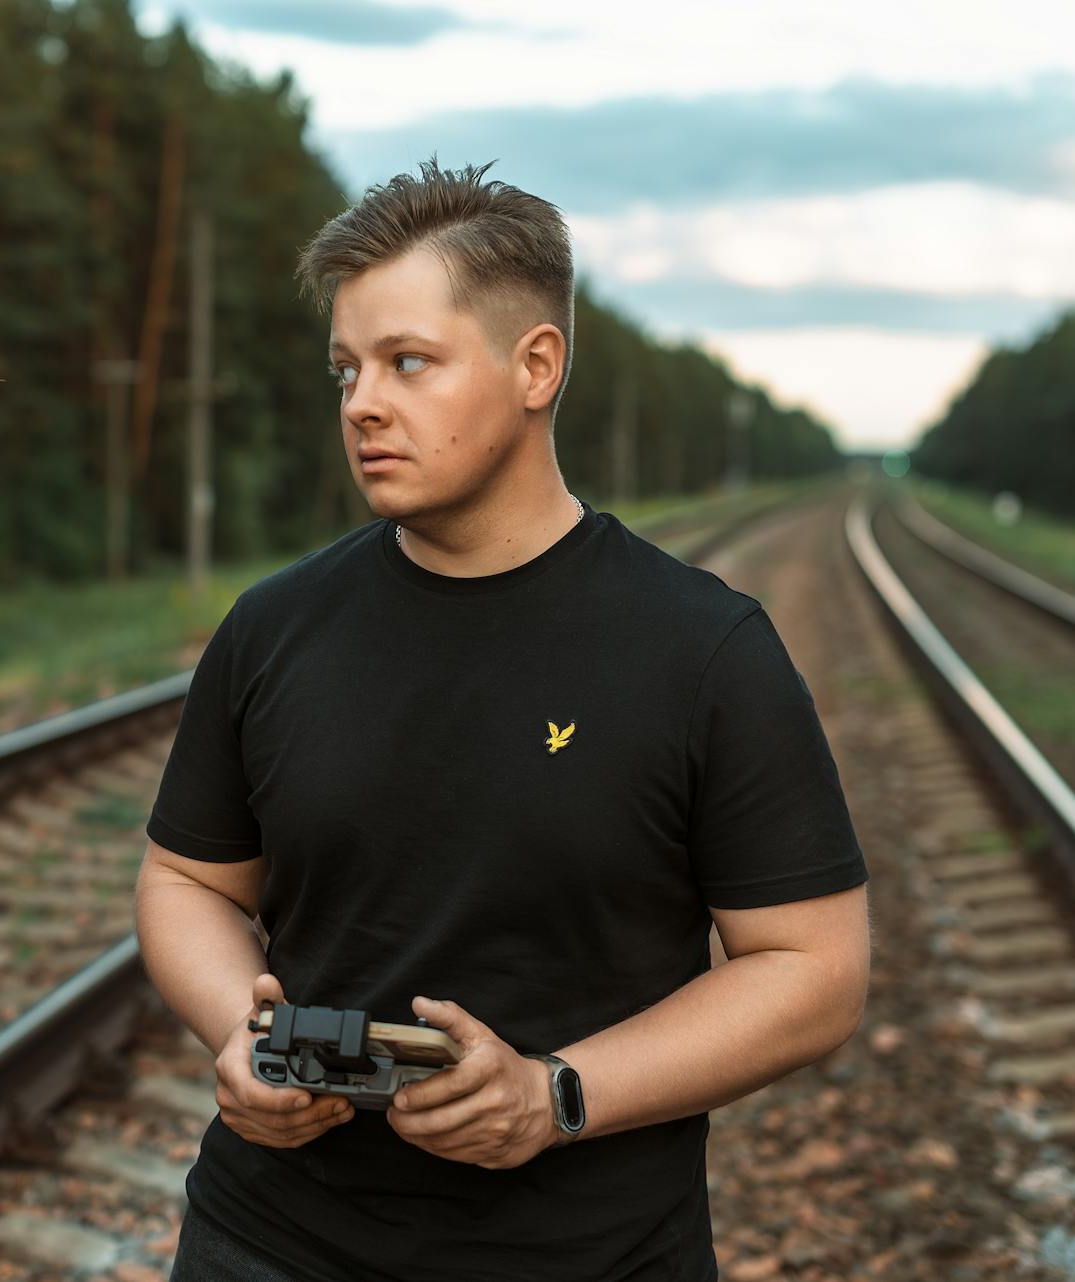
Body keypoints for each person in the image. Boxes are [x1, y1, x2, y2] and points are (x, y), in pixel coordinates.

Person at [134, 157, 871, 1282]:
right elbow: (188, 880)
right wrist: (240, 1029)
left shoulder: (702, 648)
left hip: (592, 1252)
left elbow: (814, 968)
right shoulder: (273, 627)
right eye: (347, 370)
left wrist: (556, 1094)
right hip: (270, 1242)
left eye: (409, 363)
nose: (363, 402)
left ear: (537, 367)